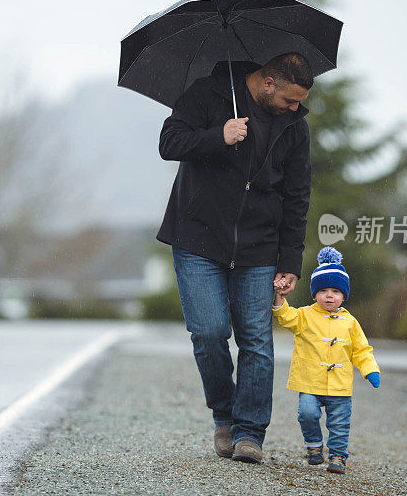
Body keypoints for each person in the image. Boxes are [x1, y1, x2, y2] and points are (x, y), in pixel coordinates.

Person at [156, 53, 313, 463]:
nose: (295, 108)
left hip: (258, 247)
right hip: (198, 240)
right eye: (290, 99)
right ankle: (224, 415)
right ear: (268, 83)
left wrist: (290, 261)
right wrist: (217, 136)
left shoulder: (295, 127)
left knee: (257, 342)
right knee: (209, 334)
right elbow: (168, 143)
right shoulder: (207, 93)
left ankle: (249, 432)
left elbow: (297, 196)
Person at [272, 246, 380, 474]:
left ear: (343, 296)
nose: (329, 295)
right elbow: (286, 318)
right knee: (307, 413)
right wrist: (280, 298)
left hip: (340, 385)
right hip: (310, 381)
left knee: (339, 423)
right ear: (314, 294)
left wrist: (370, 369)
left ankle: (338, 456)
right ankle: (313, 446)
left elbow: (362, 349)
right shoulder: (305, 315)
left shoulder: (350, 322)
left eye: (335, 291)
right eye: (323, 291)